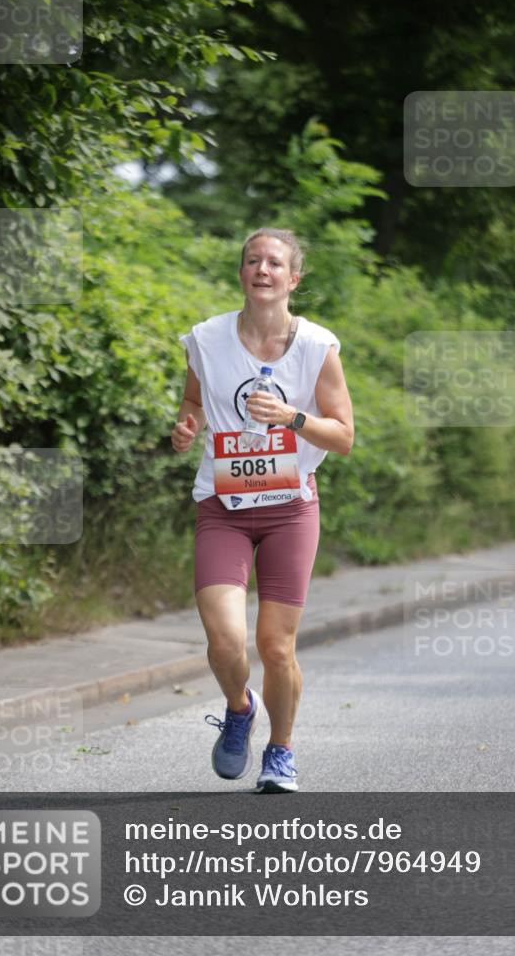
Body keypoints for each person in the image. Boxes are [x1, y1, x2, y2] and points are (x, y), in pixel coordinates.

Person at [172, 228, 354, 792]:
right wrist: (186, 427)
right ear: (242, 273)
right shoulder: (207, 338)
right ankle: (238, 707)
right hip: (223, 505)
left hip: (289, 509)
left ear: (293, 278)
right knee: (225, 639)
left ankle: (281, 751)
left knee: (276, 644)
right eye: (253, 260)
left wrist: (291, 418)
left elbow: (343, 435)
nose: (262, 269)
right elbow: (194, 401)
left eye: (274, 262)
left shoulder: (317, 346)